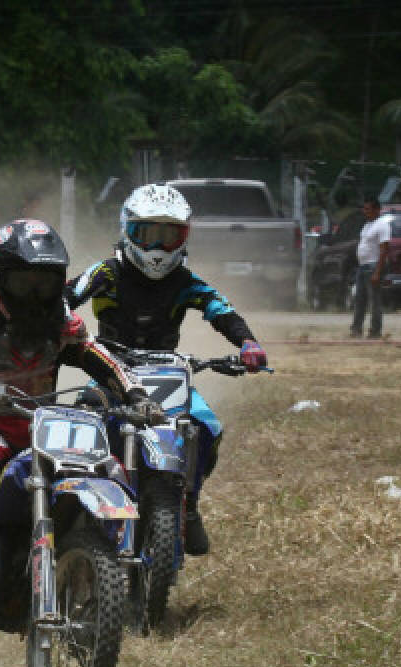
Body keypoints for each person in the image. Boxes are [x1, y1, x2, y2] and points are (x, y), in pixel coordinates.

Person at [0, 219, 151, 603]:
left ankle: (109, 574)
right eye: (23, 282)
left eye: (46, 282)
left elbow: (107, 362)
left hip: (45, 429)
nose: (35, 294)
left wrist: (138, 396)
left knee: (109, 466)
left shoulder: (65, 326)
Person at [65, 183, 269, 555]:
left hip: (166, 376)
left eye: (168, 236)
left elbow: (221, 311)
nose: (158, 247)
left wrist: (248, 343)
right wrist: (58, 329)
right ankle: (71, 511)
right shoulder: (107, 273)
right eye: (148, 234)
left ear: (184, 237)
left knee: (207, 426)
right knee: (75, 430)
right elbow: (66, 296)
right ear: (128, 231)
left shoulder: (185, 283)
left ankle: (187, 503)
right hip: (109, 372)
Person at [350, 195, 391, 339]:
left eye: (368, 209)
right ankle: (356, 329)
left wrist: (377, 272)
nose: (365, 212)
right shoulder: (367, 225)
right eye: (364, 209)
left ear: (377, 209)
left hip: (373, 266)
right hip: (363, 267)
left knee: (374, 301)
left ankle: (375, 331)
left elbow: (384, 249)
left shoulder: (382, 225)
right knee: (360, 299)